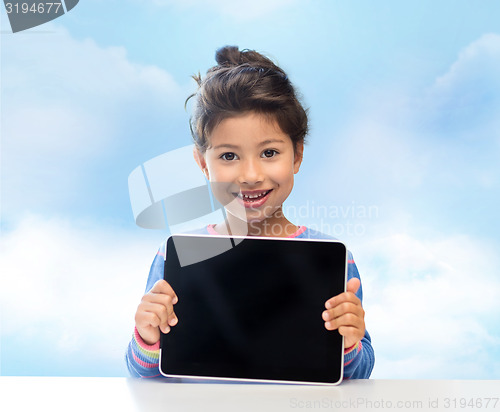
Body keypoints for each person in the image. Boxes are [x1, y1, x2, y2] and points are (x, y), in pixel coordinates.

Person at [126, 46, 375, 380]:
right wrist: (147, 338)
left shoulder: (332, 259)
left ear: (297, 155)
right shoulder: (179, 254)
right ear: (203, 163)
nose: (251, 175)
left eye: (269, 152)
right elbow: (143, 374)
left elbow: (360, 372)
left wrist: (349, 344)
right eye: (229, 156)